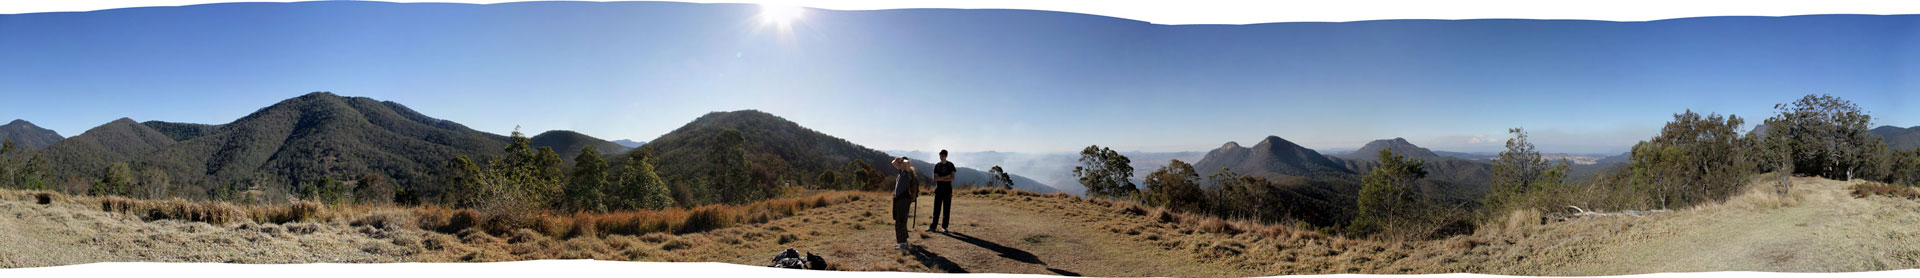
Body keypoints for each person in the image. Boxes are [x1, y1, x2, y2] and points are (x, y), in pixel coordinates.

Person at [889, 157, 920, 250]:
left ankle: (903, 243)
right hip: (900, 199)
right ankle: (904, 240)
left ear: (904, 164)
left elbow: (908, 162)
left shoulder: (907, 173)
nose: (898, 165)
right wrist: (897, 160)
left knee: (900, 221)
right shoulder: (902, 172)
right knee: (901, 220)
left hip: (903, 200)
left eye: (901, 163)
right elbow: (893, 163)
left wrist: (903, 161)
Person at [928, 150, 957, 232]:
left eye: (942, 156)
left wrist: (941, 178)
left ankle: (944, 227)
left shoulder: (950, 165)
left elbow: (952, 178)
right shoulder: (937, 166)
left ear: (946, 156)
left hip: (948, 191)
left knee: (946, 210)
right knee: (936, 209)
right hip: (938, 190)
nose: (941, 157)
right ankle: (933, 227)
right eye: (940, 156)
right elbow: (935, 178)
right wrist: (946, 177)